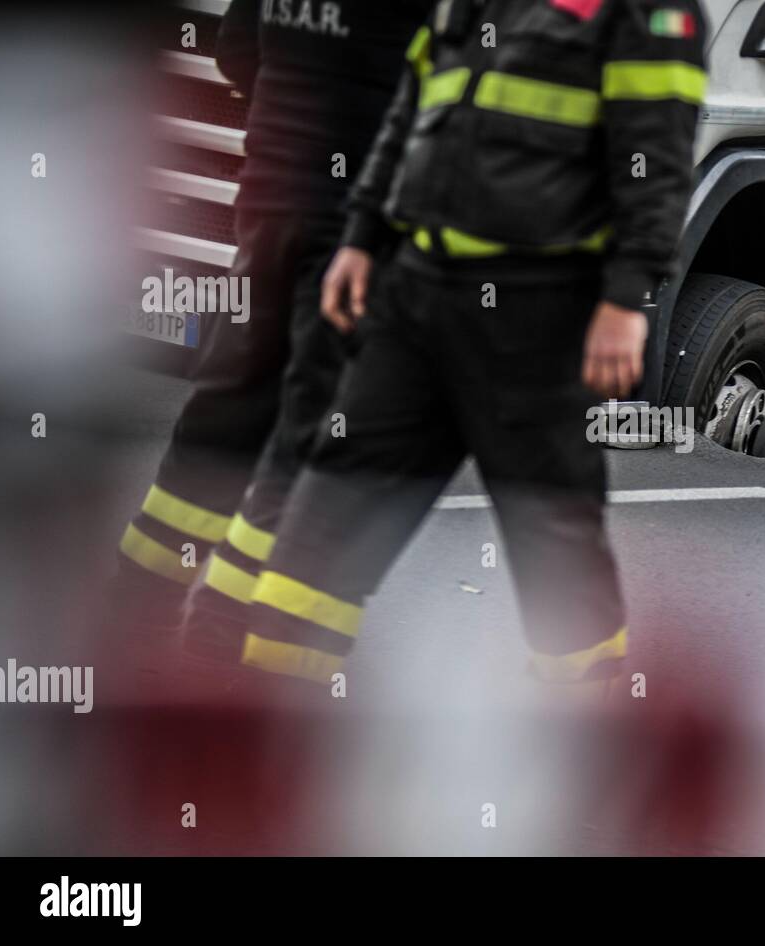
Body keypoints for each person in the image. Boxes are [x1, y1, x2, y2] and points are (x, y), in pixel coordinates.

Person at [184, 0, 707, 687]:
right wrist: (364, 238)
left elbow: (656, 159)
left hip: (537, 315)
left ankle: (591, 751)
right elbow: (412, 110)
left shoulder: (649, 11)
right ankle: (267, 736)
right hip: (418, 295)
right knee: (322, 532)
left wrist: (625, 298)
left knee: (553, 548)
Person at [108, 0, 430, 661]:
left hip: (272, 198)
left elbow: (235, 47)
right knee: (312, 434)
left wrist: (293, 118)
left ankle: (136, 611)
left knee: (228, 407)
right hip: (358, 228)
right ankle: (228, 643)